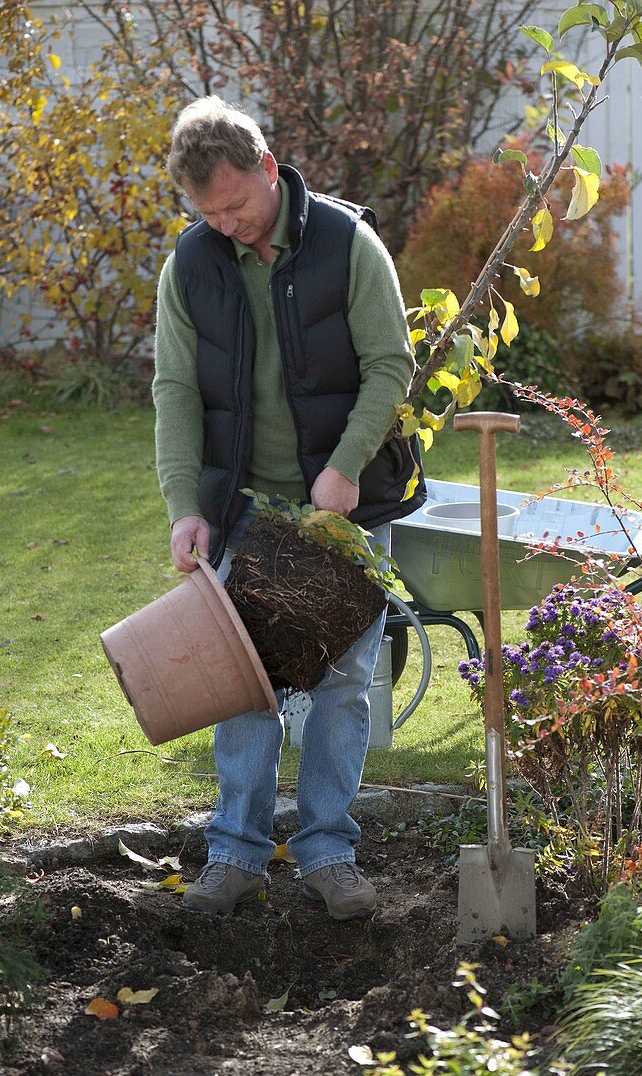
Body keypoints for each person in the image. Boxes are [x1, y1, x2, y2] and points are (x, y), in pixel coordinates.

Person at [153, 96, 425, 921]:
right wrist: (183, 506)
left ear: (269, 169)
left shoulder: (349, 245)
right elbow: (175, 391)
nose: (226, 223)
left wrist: (344, 469)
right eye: (208, 212)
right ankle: (234, 855)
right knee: (241, 685)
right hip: (243, 510)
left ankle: (328, 851)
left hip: (342, 511)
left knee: (343, 684)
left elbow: (391, 366)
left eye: (236, 203)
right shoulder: (191, 266)